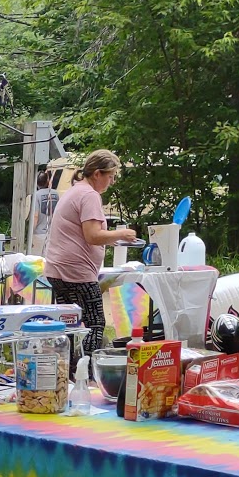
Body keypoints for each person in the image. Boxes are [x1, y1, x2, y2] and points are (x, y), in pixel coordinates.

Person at [42, 149, 138, 354]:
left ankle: (66, 369)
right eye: (110, 177)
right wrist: (121, 235)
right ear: (97, 174)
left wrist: (110, 240)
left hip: (58, 269)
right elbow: (93, 235)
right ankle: (85, 372)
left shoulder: (75, 190)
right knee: (95, 324)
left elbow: (82, 234)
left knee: (69, 324)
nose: (111, 182)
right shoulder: (89, 195)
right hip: (76, 273)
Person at [31, 171, 58, 252]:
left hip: (38, 233)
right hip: (52, 233)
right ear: (48, 181)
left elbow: (35, 216)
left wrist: (31, 233)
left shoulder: (36, 195)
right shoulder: (56, 194)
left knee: (36, 260)